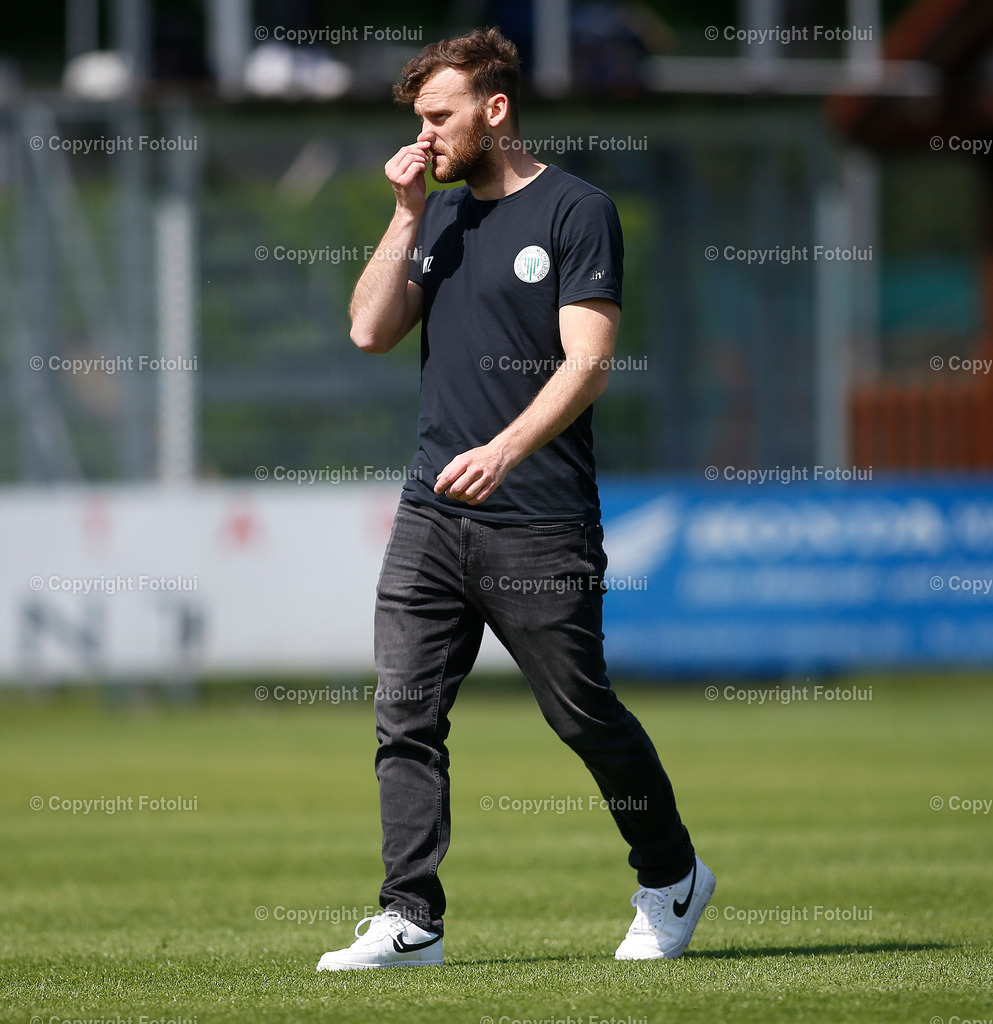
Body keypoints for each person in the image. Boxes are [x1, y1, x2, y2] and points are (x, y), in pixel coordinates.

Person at [317, 26, 713, 972]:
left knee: (582, 717)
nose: (426, 133)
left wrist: (502, 447)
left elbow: (589, 363)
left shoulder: (577, 210)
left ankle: (671, 876)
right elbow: (369, 332)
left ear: (494, 111)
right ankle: (410, 917)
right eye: (418, 117)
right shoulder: (439, 218)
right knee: (404, 713)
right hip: (429, 516)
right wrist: (406, 212)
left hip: (539, 519)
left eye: (439, 115)